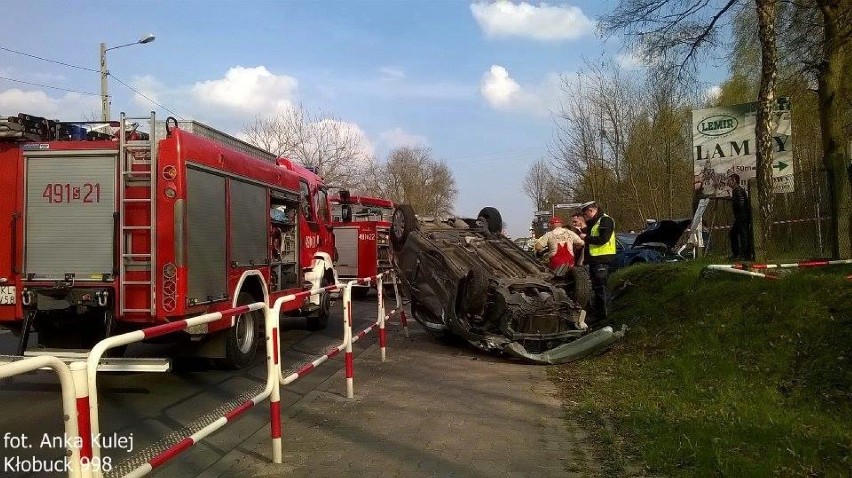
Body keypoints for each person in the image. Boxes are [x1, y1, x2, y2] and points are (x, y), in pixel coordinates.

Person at [579, 201, 616, 323]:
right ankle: (599, 314)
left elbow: (603, 239)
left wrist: (586, 238)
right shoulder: (594, 222)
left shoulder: (605, 220)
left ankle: (605, 316)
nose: (585, 217)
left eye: (585, 214)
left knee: (602, 288)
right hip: (595, 260)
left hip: (602, 259)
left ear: (591, 210)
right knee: (597, 288)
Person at [726, 173, 753, 260]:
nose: (728, 183)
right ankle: (737, 254)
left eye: (729, 181)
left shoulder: (738, 190)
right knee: (734, 234)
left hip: (743, 217)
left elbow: (741, 204)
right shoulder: (736, 190)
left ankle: (745, 255)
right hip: (740, 217)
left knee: (743, 236)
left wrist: (731, 198)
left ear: (734, 181)